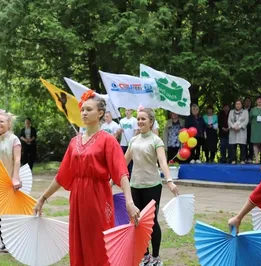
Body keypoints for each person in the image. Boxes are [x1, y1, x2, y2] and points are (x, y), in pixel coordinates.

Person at [34, 91, 139, 266]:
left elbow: (121, 173)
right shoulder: (74, 142)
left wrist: (129, 201)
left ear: (100, 113)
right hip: (77, 199)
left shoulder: (108, 141)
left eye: (89, 109)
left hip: (98, 197)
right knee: (78, 242)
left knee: (99, 242)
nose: (84, 113)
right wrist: (42, 198)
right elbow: (62, 176)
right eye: (83, 109)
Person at [125, 107, 179, 266]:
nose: (140, 121)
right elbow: (123, 162)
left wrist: (169, 180)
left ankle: (156, 257)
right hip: (134, 185)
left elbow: (162, 162)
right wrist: (112, 180)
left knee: (152, 222)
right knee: (137, 222)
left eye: (143, 119)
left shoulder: (156, 141)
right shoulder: (133, 141)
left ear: (151, 122)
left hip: (152, 186)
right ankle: (145, 255)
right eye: (138, 119)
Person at [0, 109, 22, 253]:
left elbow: (17, 159)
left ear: (9, 124)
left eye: (2, 121)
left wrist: (15, 178)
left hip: (10, 180)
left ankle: (14, 241)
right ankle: (4, 242)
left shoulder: (14, 139)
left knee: (10, 212)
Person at [117, 108, 138, 175]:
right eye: (126, 110)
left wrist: (132, 141)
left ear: (131, 111)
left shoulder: (134, 120)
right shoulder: (122, 121)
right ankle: (124, 175)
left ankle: (131, 176)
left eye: (128, 110)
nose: (127, 112)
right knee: (123, 161)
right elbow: (117, 132)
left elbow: (136, 131)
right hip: (123, 144)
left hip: (130, 144)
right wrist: (120, 131)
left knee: (131, 161)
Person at [228, 99, 249, 164]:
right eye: (236, 104)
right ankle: (233, 159)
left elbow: (246, 121)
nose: (238, 105)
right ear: (235, 105)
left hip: (241, 131)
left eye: (239, 104)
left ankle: (242, 159)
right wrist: (233, 127)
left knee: (242, 146)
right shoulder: (231, 111)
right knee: (233, 146)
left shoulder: (245, 112)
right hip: (233, 131)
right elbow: (229, 121)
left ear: (241, 105)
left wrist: (239, 127)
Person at [250, 96, 261, 164]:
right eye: (258, 99)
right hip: (255, 128)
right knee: (255, 143)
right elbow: (250, 120)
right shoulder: (253, 109)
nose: (259, 101)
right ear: (256, 101)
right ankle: (256, 159)